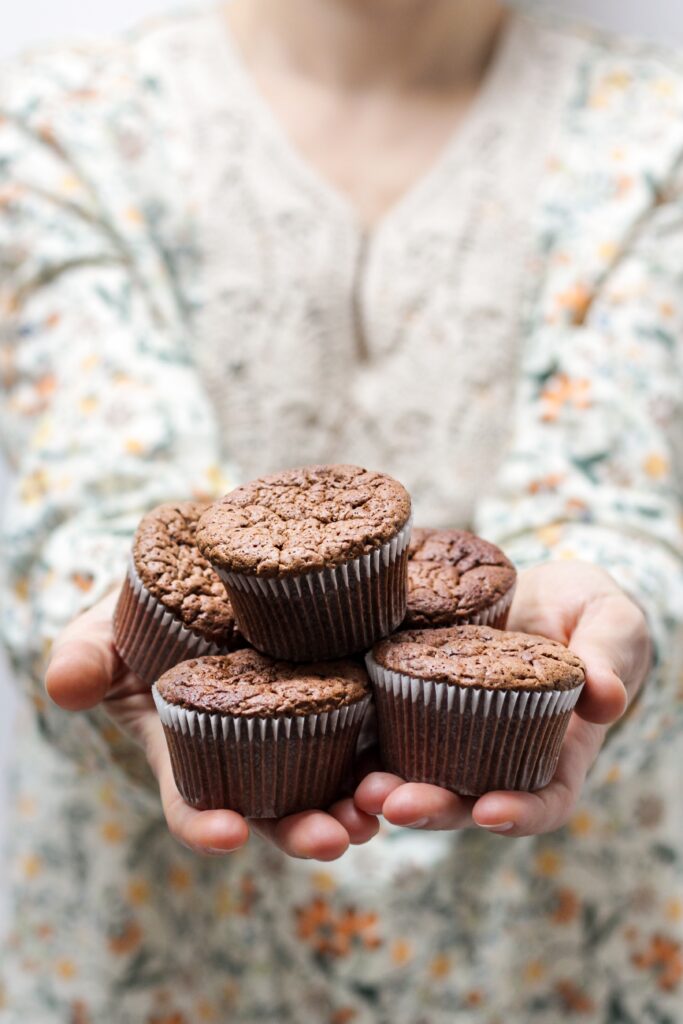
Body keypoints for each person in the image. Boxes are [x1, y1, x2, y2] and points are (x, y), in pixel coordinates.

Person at [1, 0, 682, 1020]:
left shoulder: (656, 142)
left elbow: (624, 489)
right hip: (160, 960)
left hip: (550, 957)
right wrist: (127, 618)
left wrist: (609, 599)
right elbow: (86, 499)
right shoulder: (56, 128)